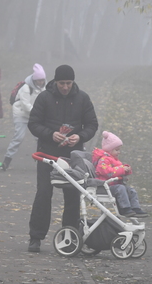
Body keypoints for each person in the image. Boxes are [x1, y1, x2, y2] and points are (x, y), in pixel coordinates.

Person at [27, 64, 98, 252]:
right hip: (47, 155)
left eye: (68, 83)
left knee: (73, 196)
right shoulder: (44, 98)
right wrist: (50, 134)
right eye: (61, 83)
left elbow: (92, 124)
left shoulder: (82, 98)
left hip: (72, 156)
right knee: (43, 194)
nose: (65, 87)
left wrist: (80, 136)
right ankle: (35, 237)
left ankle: (70, 236)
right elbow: (33, 123)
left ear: (73, 82)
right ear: (55, 82)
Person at [92, 131, 148, 218]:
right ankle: (124, 208)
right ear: (109, 150)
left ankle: (135, 207)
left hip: (114, 184)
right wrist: (121, 170)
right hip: (106, 186)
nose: (119, 152)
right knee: (121, 188)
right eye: (116, 150)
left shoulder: (114, 159)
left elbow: (118, 169)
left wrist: (126, 170)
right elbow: (108, 172)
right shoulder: (104, 160)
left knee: (131, 190)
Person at [2, 63, 46, 171]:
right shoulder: (26, 87)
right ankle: (7, 160)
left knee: (40, 138)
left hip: (34, 115)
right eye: (39, 80)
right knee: (18, 137)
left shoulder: (44, 88)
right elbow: (26, 105)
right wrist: (39, 114)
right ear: (35, 80)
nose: (40, 82)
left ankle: (42, 161)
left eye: (42, 80)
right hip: (21, 114)